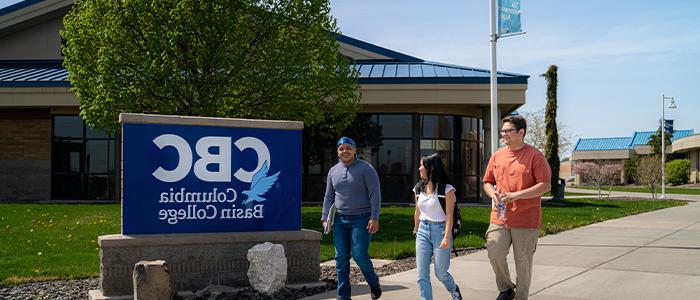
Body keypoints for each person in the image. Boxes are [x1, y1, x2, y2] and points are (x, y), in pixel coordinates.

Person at [483, 115, 551, 300]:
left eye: (507, 131)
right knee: (494, 250)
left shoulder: (535, 156)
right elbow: (487, 182)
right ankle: (506, 289)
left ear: (521, 132)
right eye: (502, 131)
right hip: (500, 216)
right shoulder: (497, 155)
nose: (503, 134)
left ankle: (521, 296)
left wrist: (516, 196)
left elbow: (545, 185)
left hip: (526, 218)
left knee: (523, 262)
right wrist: (492, 193)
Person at [321, 136, 382, 300]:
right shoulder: (333, 171)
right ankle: (343, 296)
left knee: (359, 255)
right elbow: (328, 196)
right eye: (341, 149)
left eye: (348, 148)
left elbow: (375, 195)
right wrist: (325, 216)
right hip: (340, 219)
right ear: (337, 152)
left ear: (355, 150)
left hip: (361, 219)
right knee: (340, 259)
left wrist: (374, 217)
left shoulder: (366, 169)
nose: (345, 151)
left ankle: (373, 282)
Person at [412, 153, 463, 300]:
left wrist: (447, 236)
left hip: (440, 231)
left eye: (422, 165)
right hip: (422, 231)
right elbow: (417, 211)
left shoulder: (447, 189)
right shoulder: (418, 188)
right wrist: (416, 229)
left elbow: (449, 215)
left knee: (440, 273)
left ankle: (454, 289)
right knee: (422, 275)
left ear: (431, 168)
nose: (419, 168)